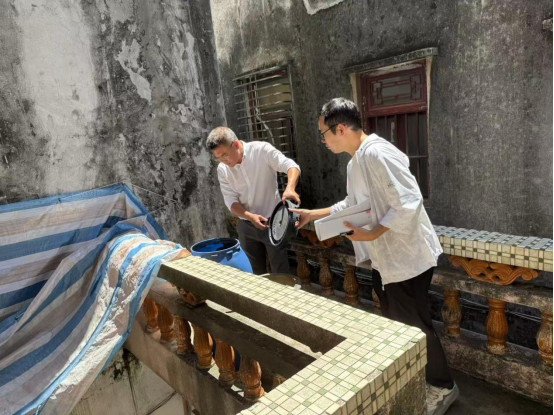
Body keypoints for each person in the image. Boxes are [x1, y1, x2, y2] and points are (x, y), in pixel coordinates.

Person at [292, 98, 459, 415]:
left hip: (408, 259)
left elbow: (409, 201)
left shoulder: (377, 153)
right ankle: (417, 379)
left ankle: (443, 387)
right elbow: (351, 204)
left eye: (324, 133)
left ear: (341, 129)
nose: (323, 140)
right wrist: (313, 214)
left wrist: (372, 233)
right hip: (386, 260)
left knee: (416, 328)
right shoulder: (356, 162)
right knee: (400, 326)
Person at [207, 127, 301, 275]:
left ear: (235, 144)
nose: (223, 161)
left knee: (280, 273)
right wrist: (250, 217)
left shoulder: (261, 151)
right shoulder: (222, 169)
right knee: (253, 274)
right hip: (246, 226)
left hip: (273, 223)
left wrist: (290, 188)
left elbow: (291, 166)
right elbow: (231, 201)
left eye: (224, 155)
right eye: (218, 157)